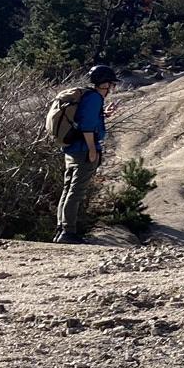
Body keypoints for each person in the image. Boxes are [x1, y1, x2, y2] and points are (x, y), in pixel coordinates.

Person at [53, 63, 117, 244]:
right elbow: (87, 126)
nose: (112, 88)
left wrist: (104, 114)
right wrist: (92, 150)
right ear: (106, 83)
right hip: (83, 150)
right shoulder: (94, 98)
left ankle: (61, 229)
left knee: (68, 189)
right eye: (111, 84)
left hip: (72, 149)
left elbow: (84, 118)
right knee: (76, 191)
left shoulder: (87, 95)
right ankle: (68, 232)